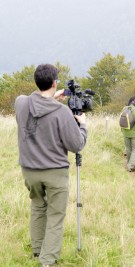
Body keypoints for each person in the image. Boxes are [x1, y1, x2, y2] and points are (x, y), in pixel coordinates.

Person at [15, 64, 87, 266]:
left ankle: (38, 251)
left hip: (29, 170)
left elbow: (31, 99)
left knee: (38, 207)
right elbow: (77, 145)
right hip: (54, 172)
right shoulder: (62, 113)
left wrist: (49, 96)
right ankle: (48, 260)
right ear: (55, 83)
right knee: (55, 215)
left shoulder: (21, 103)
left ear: (36, 82)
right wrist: (83, 125)